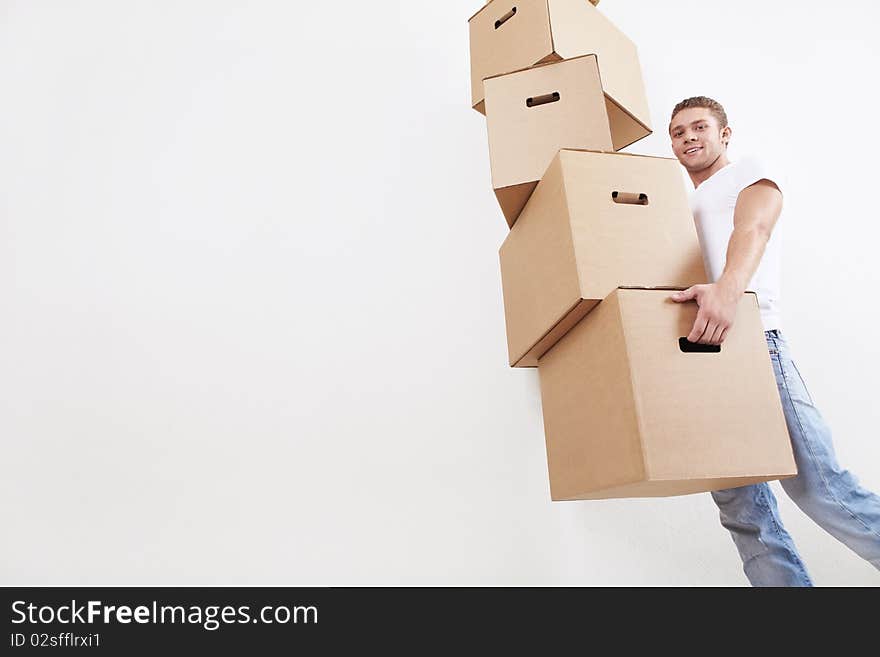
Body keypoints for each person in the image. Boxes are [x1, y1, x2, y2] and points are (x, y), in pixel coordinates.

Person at [667, 96, 880, 586]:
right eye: (677, 132)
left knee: (821, 487)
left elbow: (755, 226)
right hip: (701, 357)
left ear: (725, 134)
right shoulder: (678, 206)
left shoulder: (750, 172)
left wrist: (728, 290)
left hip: (754, 343)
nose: (688, 138)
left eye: (699, 127)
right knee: (743, 510)